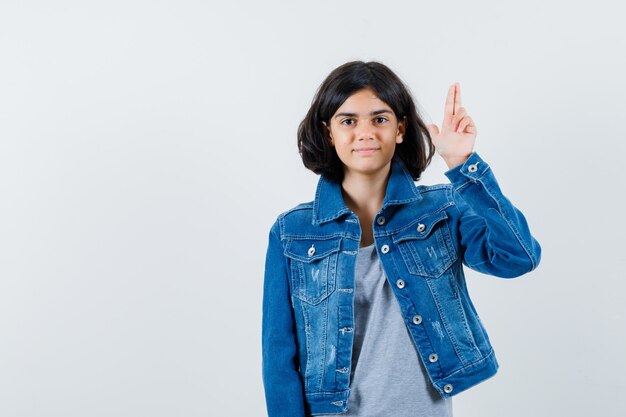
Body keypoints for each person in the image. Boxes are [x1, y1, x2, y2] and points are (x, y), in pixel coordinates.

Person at [261, 61, 541, 417]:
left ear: (401, 128)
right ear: (329, 132)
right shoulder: (292, 232)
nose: (365, 132)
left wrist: (463, 163)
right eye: (348, 121)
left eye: (380, 119)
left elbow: (518, 257)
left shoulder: (442, 210)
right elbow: (278, 356)